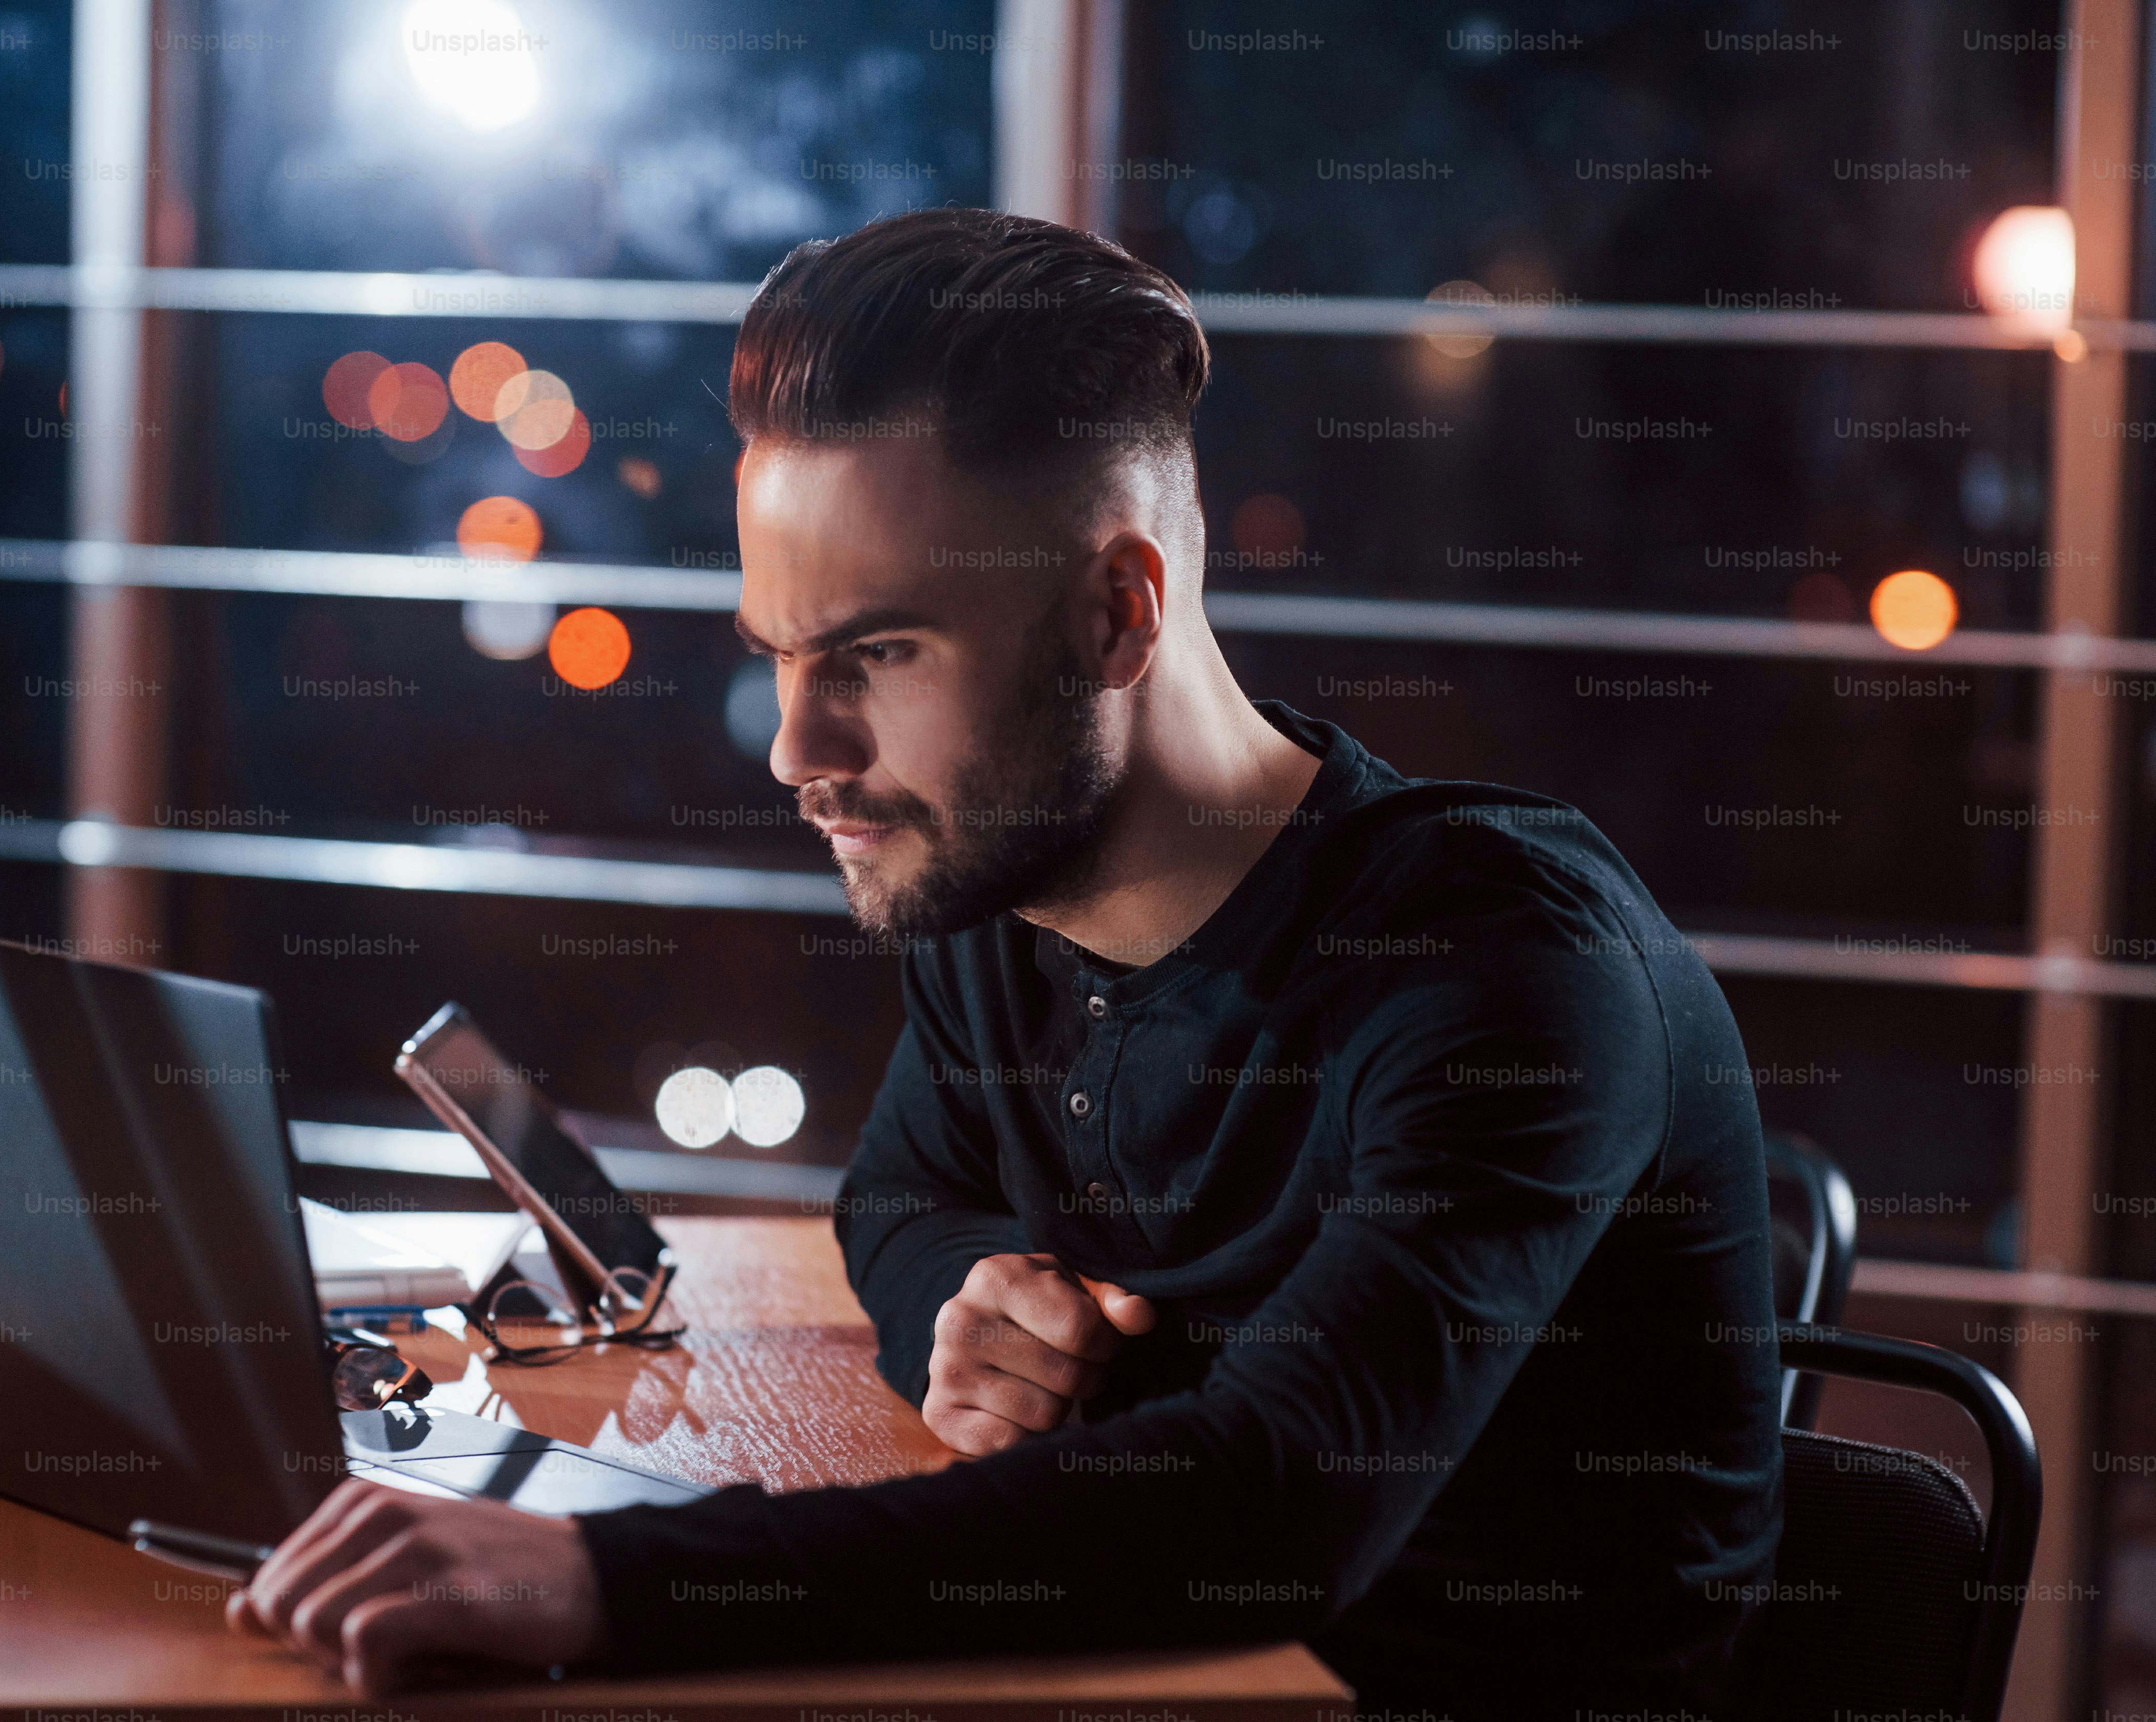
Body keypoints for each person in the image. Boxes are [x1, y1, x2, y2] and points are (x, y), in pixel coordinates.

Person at [228, 208, 1782, 1717]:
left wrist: (591, 1579)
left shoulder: (1506, 970)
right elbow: (902, 1192)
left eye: (880, 653)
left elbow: (1266, 1515)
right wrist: (966, 1305)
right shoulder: (1005, 890)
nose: (797, 750)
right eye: (782, 654)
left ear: (1117, 614)